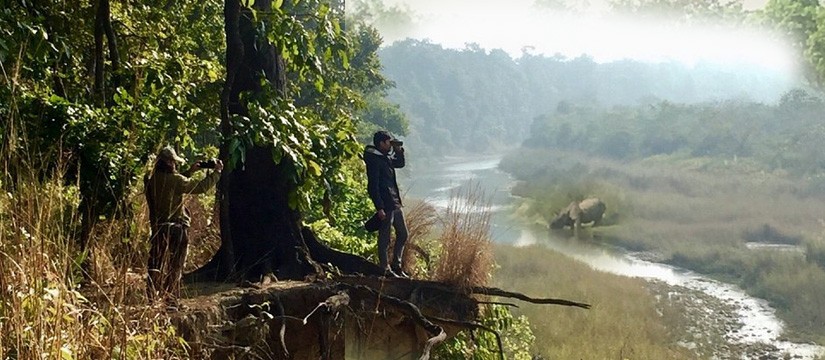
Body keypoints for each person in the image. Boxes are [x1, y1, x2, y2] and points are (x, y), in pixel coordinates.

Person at [144, 146, 223, 308]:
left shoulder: (152, 180)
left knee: (156, 264)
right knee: (175, 265)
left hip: (159, 228)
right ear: (168, 162)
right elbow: (200, 188)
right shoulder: (176, 180)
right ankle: (171, 299)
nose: (175, 165)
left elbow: (173, 186)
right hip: (177, 229)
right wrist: (217, 173)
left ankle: (151, 298)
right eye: (173, 162)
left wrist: (190, 171)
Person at [363, 131, 409, 278]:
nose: (390, 145)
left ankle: (397, 265)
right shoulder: (374, 160)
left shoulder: (384, 158)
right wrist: (379, 207)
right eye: (389, 142)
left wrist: (398, 152)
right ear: (381, 143)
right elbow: (373, 186)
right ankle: (385, 268)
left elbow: (400, 163)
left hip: (395, 203)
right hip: (386, 204)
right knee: (385, 237)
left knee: (403, 234)